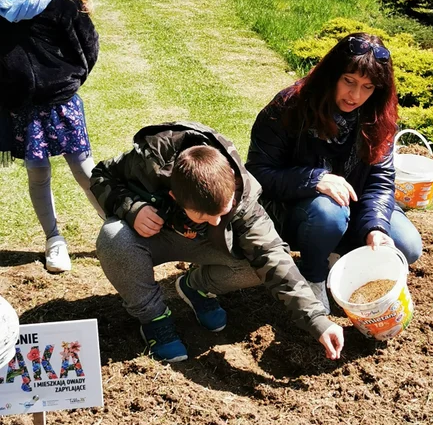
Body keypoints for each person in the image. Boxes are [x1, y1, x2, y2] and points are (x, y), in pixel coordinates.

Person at [90, 120, 344, 363]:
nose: (214, 221)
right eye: (204, 215)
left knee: (260, 264)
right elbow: (101, 175)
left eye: (222, 213)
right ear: (174, 196)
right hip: (155, 235)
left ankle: (196, 286)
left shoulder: (242, 195)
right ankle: (155, 319)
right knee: (115, 238)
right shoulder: (149, 159)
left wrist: (318, 321)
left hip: (207, 244)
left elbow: (273, 256)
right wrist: (131, 208)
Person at [246, 32, 422, 314]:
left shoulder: (377, 116)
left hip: (354, 207)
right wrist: (315, 179)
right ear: (331, 75)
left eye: (368, 87)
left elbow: (380, 181)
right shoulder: (289, 107)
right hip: (295, 209)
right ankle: (313, 275)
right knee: (329, 212)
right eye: (348, 81)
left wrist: (376, 227)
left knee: (407, 246)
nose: (355, 96)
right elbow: (258, 173)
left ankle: (337, 254)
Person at [0, 0, 101, 274]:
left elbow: (87, 48)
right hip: (22, 111)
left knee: (84, 167)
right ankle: (54, 239)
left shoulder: (56, 1)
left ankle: (116, 228)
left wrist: (67, 82)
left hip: (60, 104)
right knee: (37, 172)